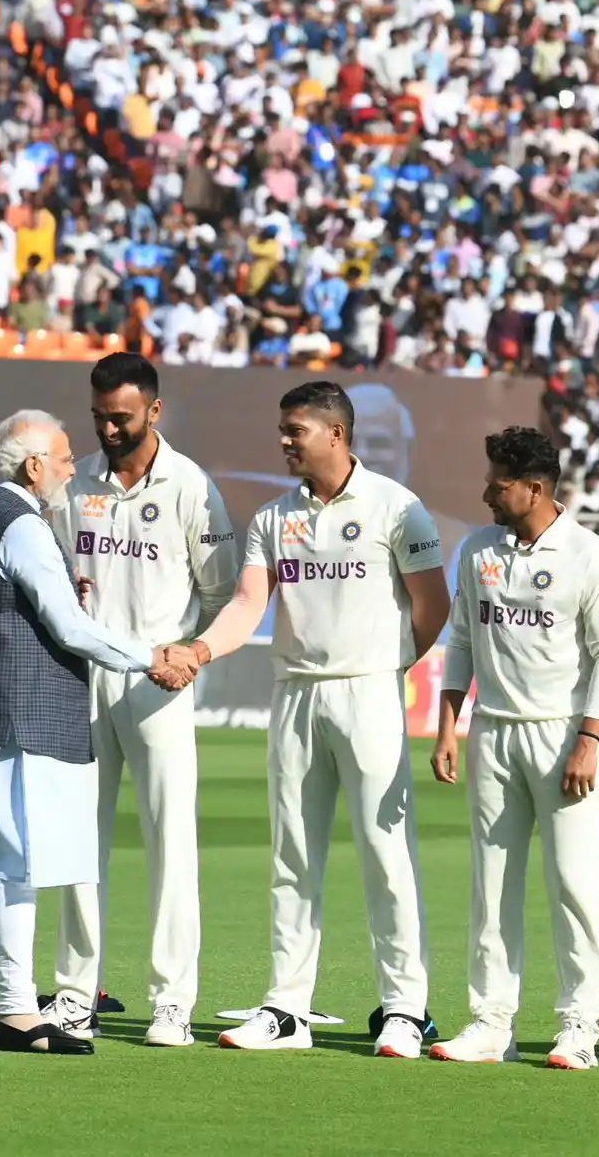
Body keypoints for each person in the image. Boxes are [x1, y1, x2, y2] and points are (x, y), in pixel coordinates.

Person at [184, 380, 450, 1056]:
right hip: (296, 695)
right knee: (293, 856)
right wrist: (202, 648)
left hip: (368, 695)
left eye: (295, 430)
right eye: (282, 429)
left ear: (335, 433)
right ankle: (287, 1009)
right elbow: (248, 604)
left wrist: (384, 667)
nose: (284, 441)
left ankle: (404, 1009)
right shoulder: (275, 517)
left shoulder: (397, 506)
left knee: (387, 857)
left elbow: (433, 606)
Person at [0, 410, 195, 1054]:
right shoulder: (21, 523)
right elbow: (70, 628)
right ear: (33, 465)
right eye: (65, 457)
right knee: (15, 859)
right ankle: (19, 1011)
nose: (73, 468)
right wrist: (149, 656)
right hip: (15, 712)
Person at [49, 353, 237, 1048]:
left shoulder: (190, 485)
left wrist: (189, 653)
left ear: (154, 411)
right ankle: (75, 993)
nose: (107, 428)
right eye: (98, 415)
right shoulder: (75, 482)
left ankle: (172, 1001)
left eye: (120, 417)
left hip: (159, 682)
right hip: (85, 677)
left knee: (170, 841)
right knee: (77, 842)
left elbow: (222, 592)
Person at [426, 426, 599, 1070]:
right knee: (491, 884)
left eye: (500, 482)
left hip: (563, 734)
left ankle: (578, 1026)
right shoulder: (478, 549)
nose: (488, 492)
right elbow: (460, 640)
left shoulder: (588, 555)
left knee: (574, 885)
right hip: (494, 732)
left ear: (535, 488)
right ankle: (491, 1022)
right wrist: (448, 725)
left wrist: (589, 739)